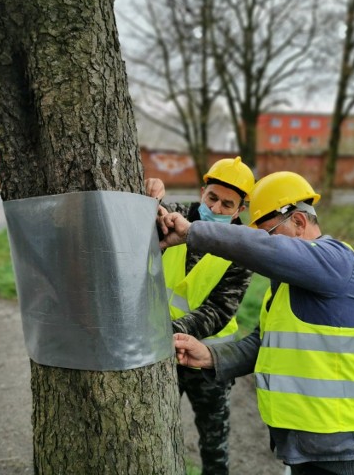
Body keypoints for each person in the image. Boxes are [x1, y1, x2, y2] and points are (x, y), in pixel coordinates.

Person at [159, 171, 354, 475]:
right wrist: (212, 356)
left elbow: (266, 250)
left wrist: (193, 233)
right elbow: (264, 344)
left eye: (268, 232)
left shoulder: (337, 261)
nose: (265, 244)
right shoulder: (285, 286)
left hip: (344, 451)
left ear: (299, 222)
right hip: (305, 447)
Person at [147, 156, 255, 475]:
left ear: (239, 210)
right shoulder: (174, 216)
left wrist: (169, 332)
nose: (217, 208)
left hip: (210, 358)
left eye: (227, 204)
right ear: (202, 190)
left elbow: (219, 310)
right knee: (154, 428)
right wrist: (146, 201)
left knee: (214, 440)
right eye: (212, 198)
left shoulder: (242, 248)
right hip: (162, 353)